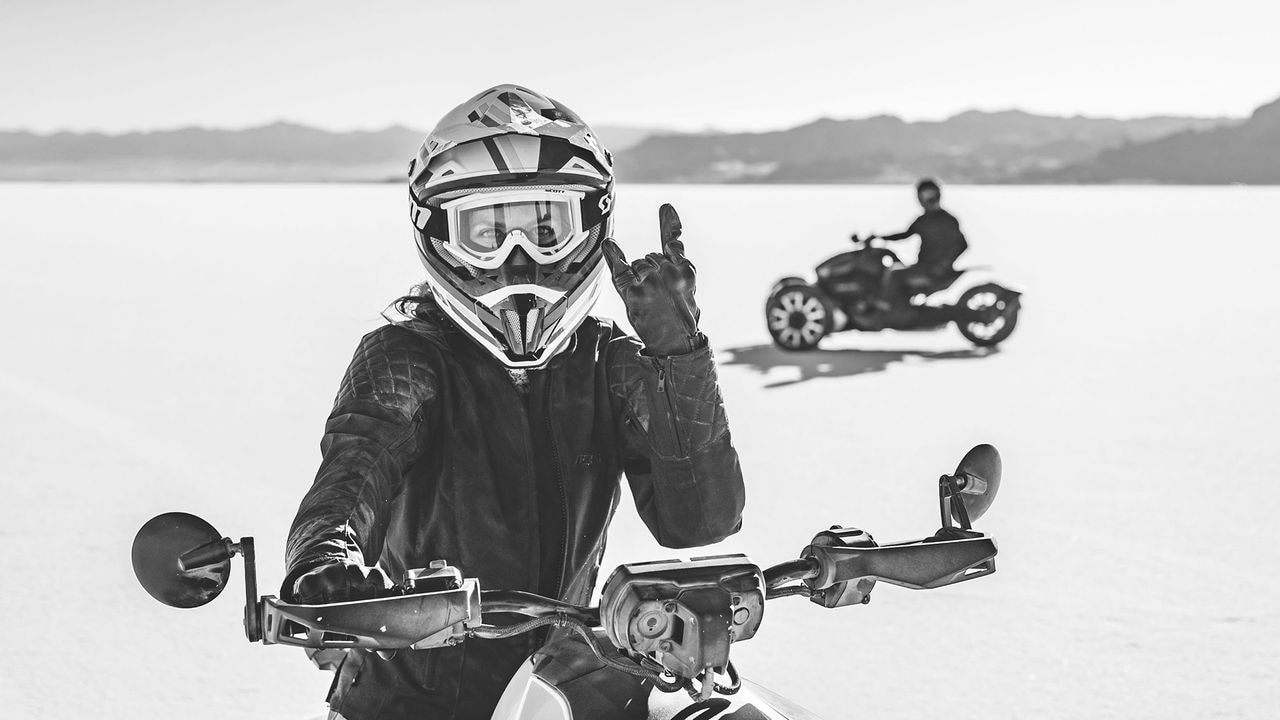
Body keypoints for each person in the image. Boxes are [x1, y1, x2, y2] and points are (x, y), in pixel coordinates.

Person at [281, 85, 745, 720]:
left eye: (548, 228)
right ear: (439, 234)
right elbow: (353, 470)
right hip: (415, 696)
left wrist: (678, 357)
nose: (519, 257)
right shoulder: (408, 359)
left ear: (593, 227)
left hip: (577, 683)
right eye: (489, 233)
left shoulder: (607, 362)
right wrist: (325, 559)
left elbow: (699, 521)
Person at [869, 178, 969, 301]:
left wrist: (944, 265)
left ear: (938, 195)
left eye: (931, 195)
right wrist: (881, 237)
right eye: (925, 195)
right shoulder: (923, 220)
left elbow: (963, 244)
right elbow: (905, 234)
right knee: (892, 267)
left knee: (894, 274)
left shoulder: (948, 220)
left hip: (933, 271)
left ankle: (889, 309)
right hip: (923, 266)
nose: (929, 199)